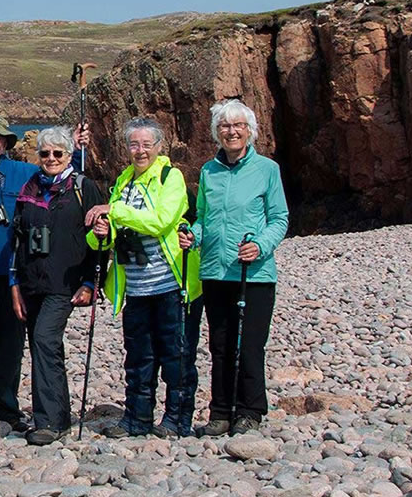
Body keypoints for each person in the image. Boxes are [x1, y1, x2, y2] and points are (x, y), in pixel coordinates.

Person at [0, 113, 88, 436]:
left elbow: (65, 175)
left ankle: (7, 407)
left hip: (17, 280)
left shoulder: (26, 174)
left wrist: (79, 148)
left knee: (11, 349)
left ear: (6, 144)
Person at [85, 118, 202, 438]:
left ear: (159, 147)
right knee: (138, 358)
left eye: (146, 145)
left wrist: (114, 211)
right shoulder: (123, 181)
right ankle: (136, 419)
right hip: (135, 288)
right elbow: (106, 240)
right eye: (134, 145)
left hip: (169, 284)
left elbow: (160, 221)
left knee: (176, 356)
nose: (140, 151)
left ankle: (177, 419)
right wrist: (100, 234)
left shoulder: (170, 178)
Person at [180, 99, 288, 436]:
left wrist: (260, 245)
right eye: (225, 126)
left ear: (250, 131)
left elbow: (280, 218)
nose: (232, 131)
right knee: (220, 344)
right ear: (217, 133)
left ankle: (250, 410)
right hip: (214, 271)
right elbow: (203, 219)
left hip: (253, 273)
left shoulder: (267, 170)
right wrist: (192, 237)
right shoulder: (209, 171)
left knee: (250, 343)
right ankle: (221, 410)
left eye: (238, 126)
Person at [9, 126, 103, 446]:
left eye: (58, 153)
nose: (51, 159)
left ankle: (47, 421)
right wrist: (14, 284)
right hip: (32, 281)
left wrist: (91, 282)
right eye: (45, 153)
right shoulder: (30, 187)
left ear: (69, 155)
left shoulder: (83, 188)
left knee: (44, 339)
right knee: (44, 347)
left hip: (65, 283)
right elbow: (17, 239)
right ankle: (58, 416)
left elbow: (99, 240)